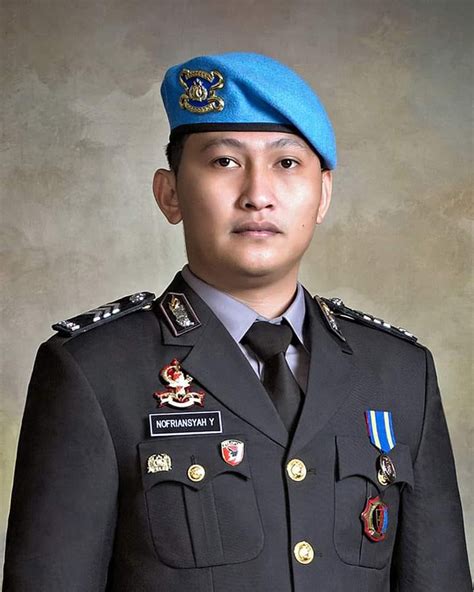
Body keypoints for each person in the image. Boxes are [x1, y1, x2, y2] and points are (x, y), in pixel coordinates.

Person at [3, 52, 471, 592]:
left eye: (287, 163)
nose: (257, 195)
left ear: (323, 194)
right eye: (225, 161)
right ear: (170, 194)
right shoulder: (94, 371)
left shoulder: (400, 374)